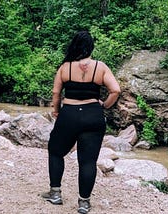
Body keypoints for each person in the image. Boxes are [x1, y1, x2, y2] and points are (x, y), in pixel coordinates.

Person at [41, 31, 121, 214]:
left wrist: (56, 111)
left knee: (55, 151)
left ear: (74, 46)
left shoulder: (65, 67)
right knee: (88, 161)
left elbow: (56, 94)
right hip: (93, 115)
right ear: (91, 47)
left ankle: (55, 194)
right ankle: (84, 203)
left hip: (69, 114)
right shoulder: (100, 67)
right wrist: (104, 105)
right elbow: (115, 90)